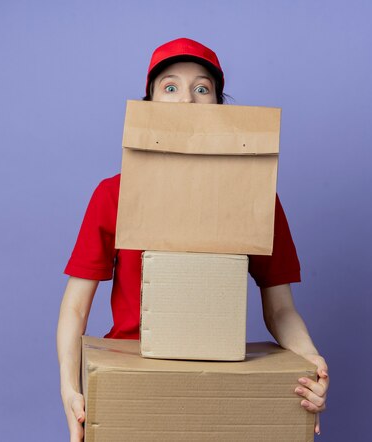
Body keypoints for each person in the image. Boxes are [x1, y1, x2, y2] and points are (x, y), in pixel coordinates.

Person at [56, 37, 329, 442]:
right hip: (130, 380)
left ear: (219, 106)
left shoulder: (255, 198)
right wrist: (70, 388)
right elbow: (76, 307)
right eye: (170, 87)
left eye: (202, 88)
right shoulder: (113, 194)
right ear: (148, 104)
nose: (187, 100)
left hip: (218, 382)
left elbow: (281, 310)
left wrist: (311, 364)